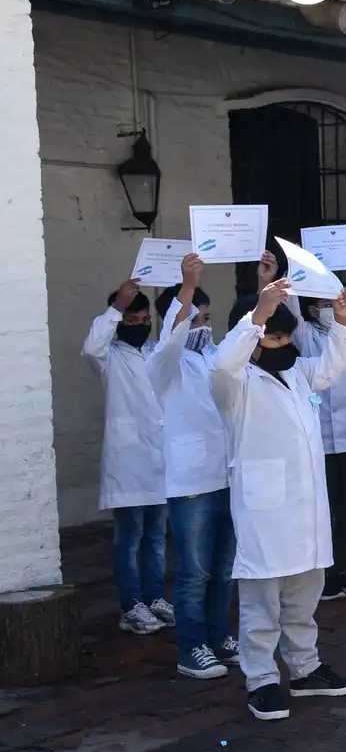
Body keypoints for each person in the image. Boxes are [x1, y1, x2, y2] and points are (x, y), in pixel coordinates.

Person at [212, 278, 346, 721]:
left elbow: (335, 364)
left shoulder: (298, 373)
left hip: (305, 507)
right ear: (253, 337)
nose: (284, 343)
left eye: (285, 334)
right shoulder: (234, 384)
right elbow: (223, 365)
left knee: (304, 595)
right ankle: (261, 680)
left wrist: (342, 320)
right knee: (262, 600)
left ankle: (305, 668)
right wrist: (256, 316)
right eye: (273, 336)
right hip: (265, 510)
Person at [271, 240, 346, 603]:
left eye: (329, 301)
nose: (324, 307)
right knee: (322, 503)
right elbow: (288, 302)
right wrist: (297, 268)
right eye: (318, 302)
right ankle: (325, 570)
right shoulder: (302, 333)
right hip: (316, 433)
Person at [148, 255, 235, 678]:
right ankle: (192, 646)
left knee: (224, 568)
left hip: (228, 476)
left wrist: (263, 284)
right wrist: (186, 285)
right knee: (195, 572)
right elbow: (170, 340)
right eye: (195, 318)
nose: (204, 325)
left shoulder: (214, 358)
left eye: (208, 317)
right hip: (192, 483)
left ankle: (220, 635)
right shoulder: (163, 364)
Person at [83, 278, 171, 636]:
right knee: (130, 536)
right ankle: (131, 604)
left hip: (160, 458)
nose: (139, 327)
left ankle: (154, 597)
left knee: (157, 536)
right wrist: (117, 305)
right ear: (119, 322)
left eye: (144, 320)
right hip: (128, 459)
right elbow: (91, 347)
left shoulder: (155, 351)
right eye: (130, 321)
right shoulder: (109, 357)